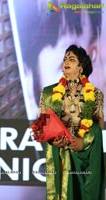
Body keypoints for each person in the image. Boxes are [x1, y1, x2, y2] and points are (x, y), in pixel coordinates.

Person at [38, 44, 104, 199]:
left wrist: (84, 142)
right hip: (60, 154)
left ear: (81, 67)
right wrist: (54, 140)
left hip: (85, 157)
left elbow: (99, 126)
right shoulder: (48, 93)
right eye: (65, 58)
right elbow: (42, 126)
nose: (66, 61)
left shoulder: (95, 95)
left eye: (72, 59)